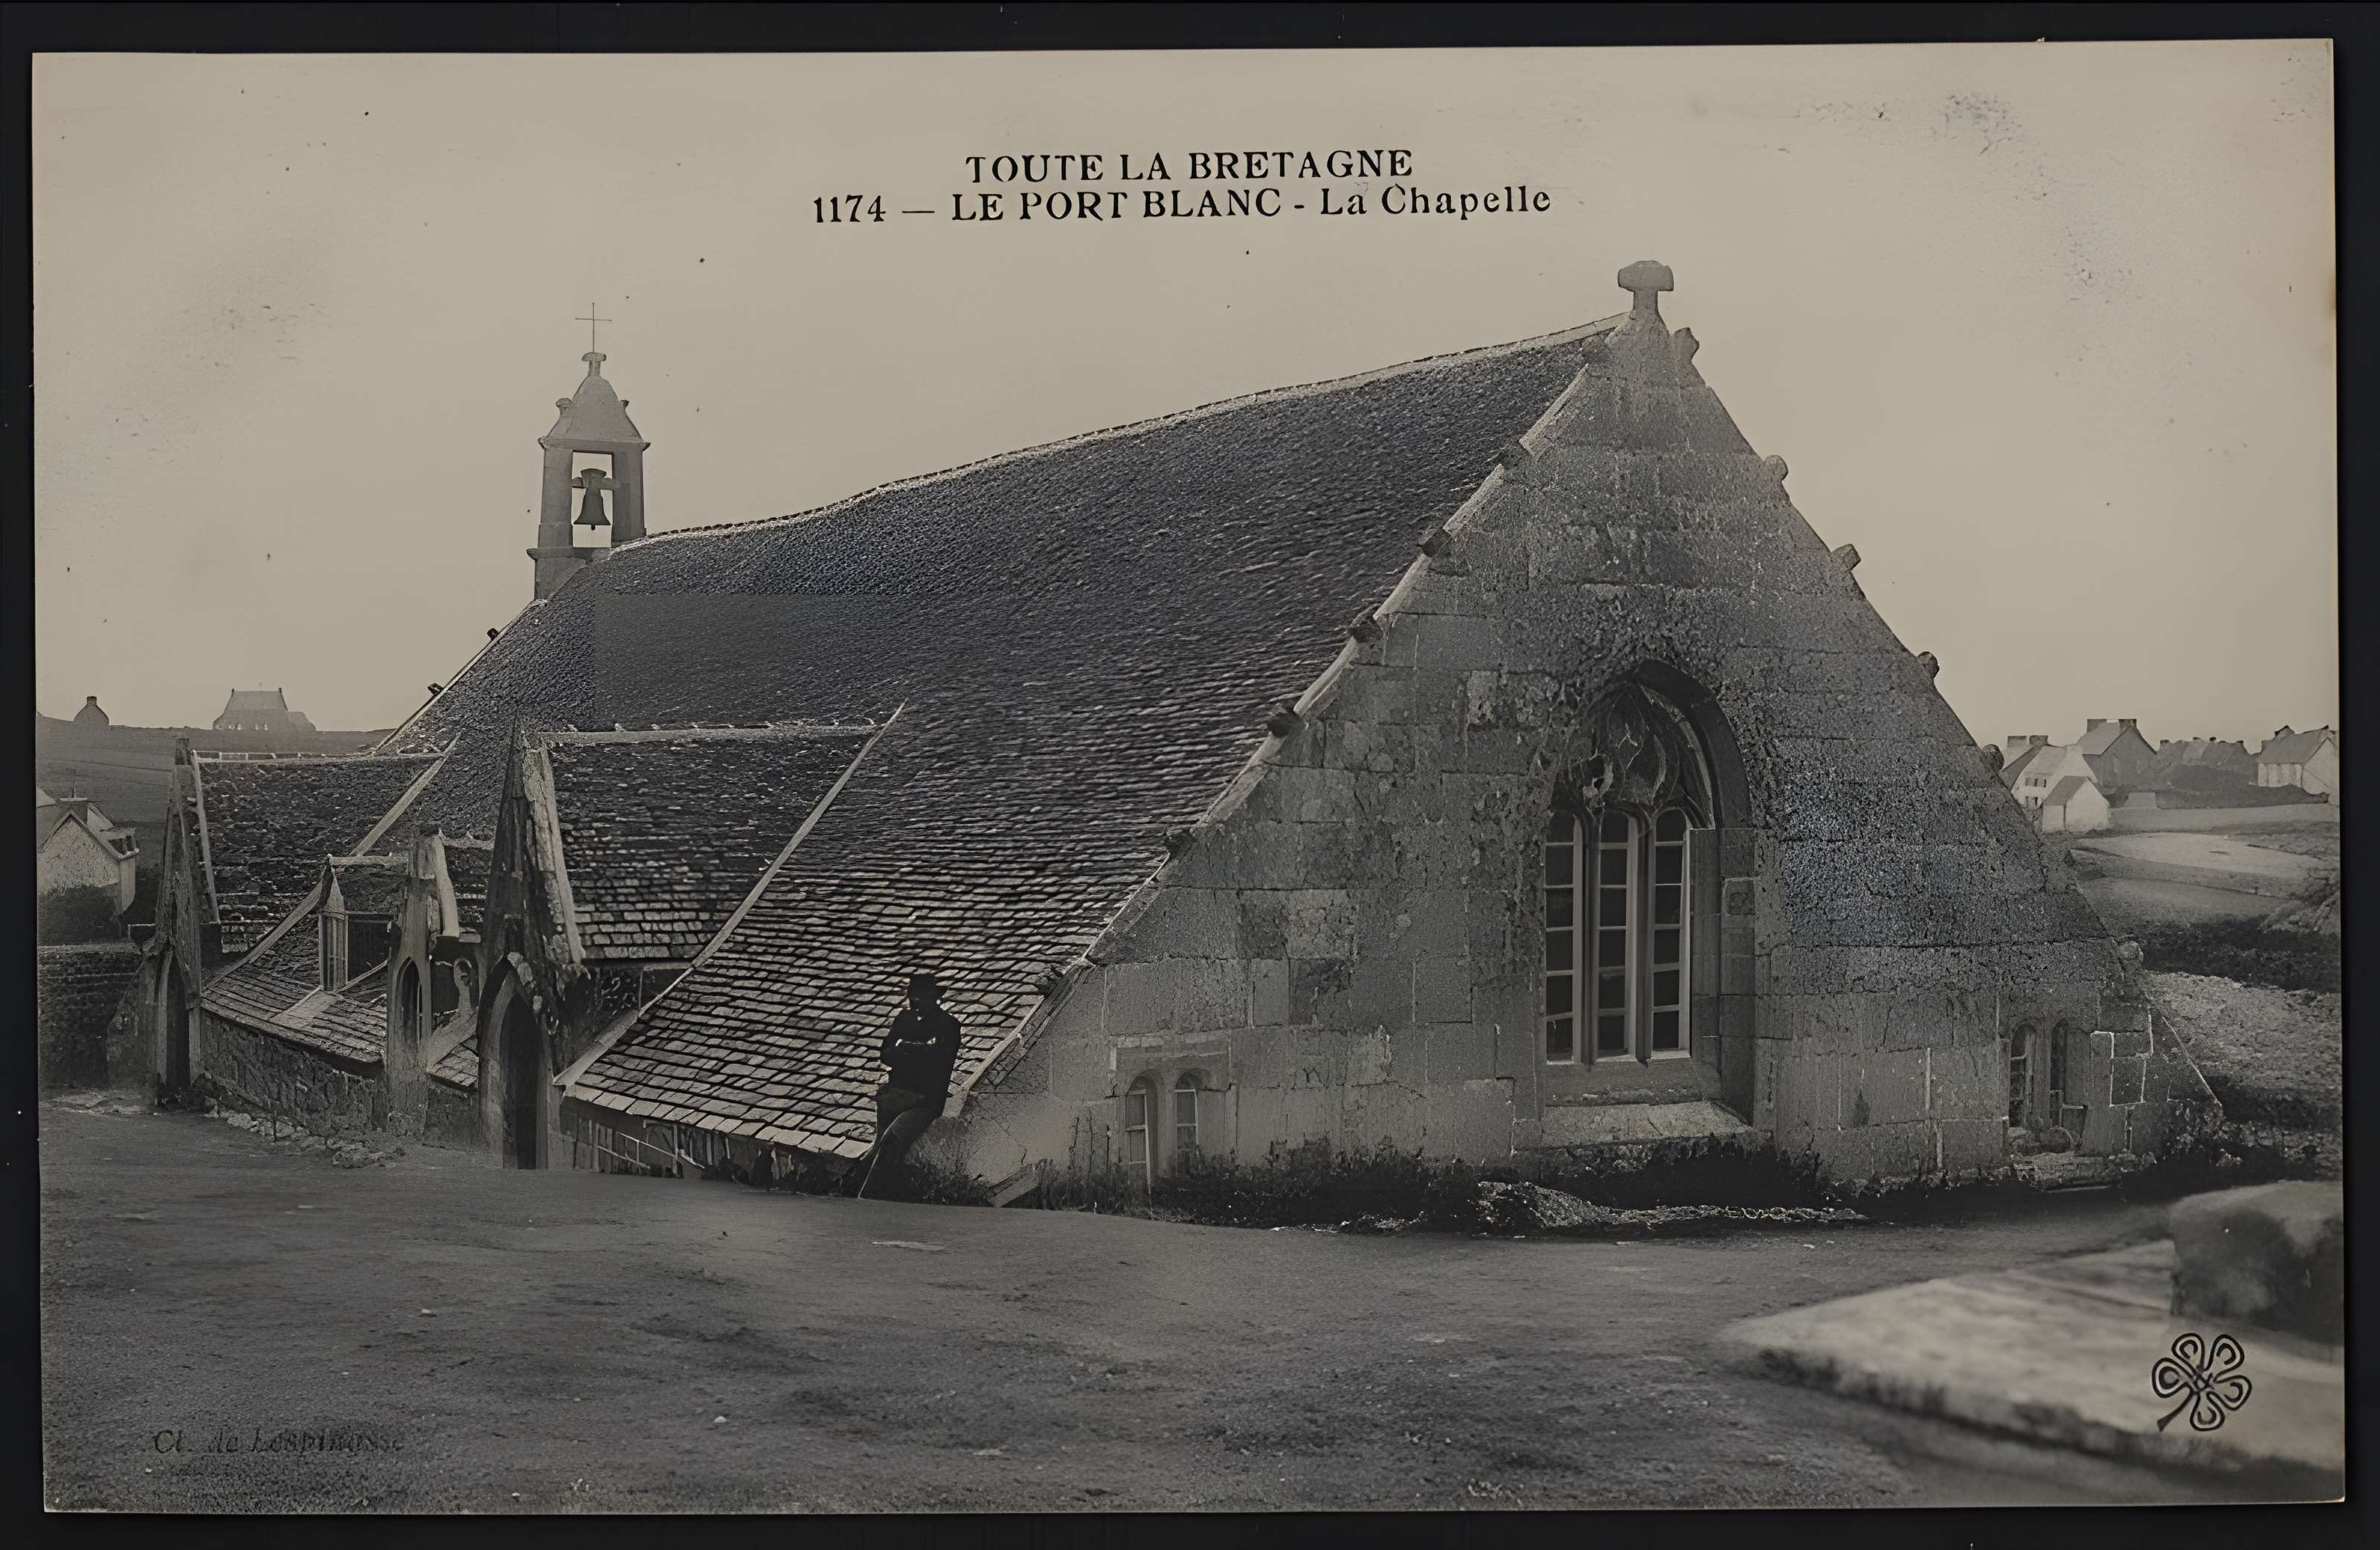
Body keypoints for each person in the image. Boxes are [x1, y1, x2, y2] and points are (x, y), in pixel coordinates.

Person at [856, 971, 963, 1200]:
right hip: (896, 1097)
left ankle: (867, 1201)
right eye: (913, 997)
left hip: (925, 1101)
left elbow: (940, 1064)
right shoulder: (904, 1019)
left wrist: (906, 1048)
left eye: (922, 997)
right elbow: (886, 1053)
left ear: (935, 998)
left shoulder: (949, 1026)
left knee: (891, 1142)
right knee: (876, 1149)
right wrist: (916, 1053)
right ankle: (857, 1195)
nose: (916, 1002)